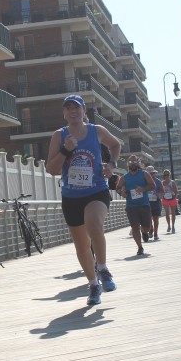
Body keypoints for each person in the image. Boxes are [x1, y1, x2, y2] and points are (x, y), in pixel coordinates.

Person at [46, 95, 121, 307]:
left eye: (76, 108)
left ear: (83, 110)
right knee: (81, 245)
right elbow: (51, 169)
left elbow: (115, 145)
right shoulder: (59, 135)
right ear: (64, 113)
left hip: (96, 190)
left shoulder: (97, 131)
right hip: (71, 196)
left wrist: (111, 165)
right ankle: (93, 284)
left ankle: (103, 268)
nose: (73, 111)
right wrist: (65, 149)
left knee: (94, 224)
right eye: (68, 108)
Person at [117, 155, 154, 256]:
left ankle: (144, 232)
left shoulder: (144, 174)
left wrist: (143, 189)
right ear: (128, 164)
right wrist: (121, 193)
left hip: (144, 204)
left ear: (138, 163)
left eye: (135, 162)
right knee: (134, 227)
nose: (133, 164)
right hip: (131, 206)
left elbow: (152, 185)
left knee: (146, 227)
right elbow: (118, 188)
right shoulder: (124, 177)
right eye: (130, 162)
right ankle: (140, 247)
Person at [146, 166, 163, 240]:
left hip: (156, 201)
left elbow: (162, 191)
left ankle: (156, 233)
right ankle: (151, 229)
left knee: (156, 218)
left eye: (152, 173)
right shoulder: (144, 181)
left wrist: (158, 194)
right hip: (147, 202)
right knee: (149, 217)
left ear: (154, 173)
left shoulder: (158, 181)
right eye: (149, 174)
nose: (151, 175)